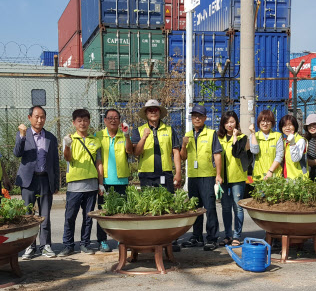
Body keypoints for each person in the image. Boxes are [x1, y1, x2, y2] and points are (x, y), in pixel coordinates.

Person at [131, 99, 183, 251]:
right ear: (146, 114)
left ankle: (170, 240)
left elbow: (175, 152)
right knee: (148, 207)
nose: (153, 112)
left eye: (155, 109)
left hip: (165, 174)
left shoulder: (169, 129)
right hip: (147, 175)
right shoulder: (139, 130)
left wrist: (178, 172)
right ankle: (151, 239)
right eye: (150, 110)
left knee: (168, 206)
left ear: (160, 112)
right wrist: (144, 137)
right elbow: (136, 152)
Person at [17, 106, 60, 259]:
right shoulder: (24, 134)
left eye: (42, 117)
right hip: (28, 180)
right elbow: (17, 153)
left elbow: (55, 162)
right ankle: (29, 246)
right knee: (28, 215)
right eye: (36, 116)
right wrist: (22, 137)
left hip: (44, 180)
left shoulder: (51, 138)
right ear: (30, 118)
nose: (39, 120)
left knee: (45, 215)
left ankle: (46, 245)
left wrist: (56, 183)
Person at [179, 105, 223, 251]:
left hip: (207, 176)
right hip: (193, 176)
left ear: (205, 118)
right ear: (191, 118)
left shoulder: (211, 134)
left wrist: (218, 174)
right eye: (194, 116)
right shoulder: (188, 135)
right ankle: (196, 237)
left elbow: (217, 154)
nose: (197, 118)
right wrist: (184, 145)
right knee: (195, 209)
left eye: (200, 116)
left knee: (209, 208)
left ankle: (212, 238)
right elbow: (182, 157)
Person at [61, 109, 102, 257]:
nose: (82, 123)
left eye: (85, 120)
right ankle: (68, 245)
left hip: (91, 185)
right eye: (79, 120)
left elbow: (99, 164)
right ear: (74, 123)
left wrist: (100, 183)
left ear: (89, 122)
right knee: (70, 217)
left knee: (88, 217)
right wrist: (67, 146)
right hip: (74, 186)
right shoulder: (68, 139)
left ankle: (85, 244)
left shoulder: (95, 141)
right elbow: (67, 158)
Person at [95, 108, 132, 253]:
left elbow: (130, 151)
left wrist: (127, 134)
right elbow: (98, 160)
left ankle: (121, 240)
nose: (113, 120)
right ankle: (102, 240)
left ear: (119, 120)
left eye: (116, 117)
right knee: (103, 213)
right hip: (105, 182)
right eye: (110, 118)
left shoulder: (124, 135)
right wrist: (100, 183)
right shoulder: (98, 136)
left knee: (122, 213)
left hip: (121, 181)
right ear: (104, 121)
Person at [217, 111, 250, 247]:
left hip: (237, 177)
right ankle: (228, 235)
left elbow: (236, 153)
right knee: (225, 207)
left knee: (238, 207)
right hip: (223, 178)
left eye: (232, 121)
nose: (229, 124)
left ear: (236, 122)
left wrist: (235, 136)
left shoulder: (243, 137)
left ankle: (237, 235)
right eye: (226, 122)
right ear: (223, 124)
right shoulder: (219, 138)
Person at [249, 110, 284, 181]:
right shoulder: (254, 136)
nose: (265, 124)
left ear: (272, 123)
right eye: (262, 121)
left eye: (268, 121)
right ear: (259, 123)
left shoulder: (277, 136)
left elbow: (279, 155)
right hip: (259, 176)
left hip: (275, 175)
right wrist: (253, 133)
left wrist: (270, 171)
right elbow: (255, 151)